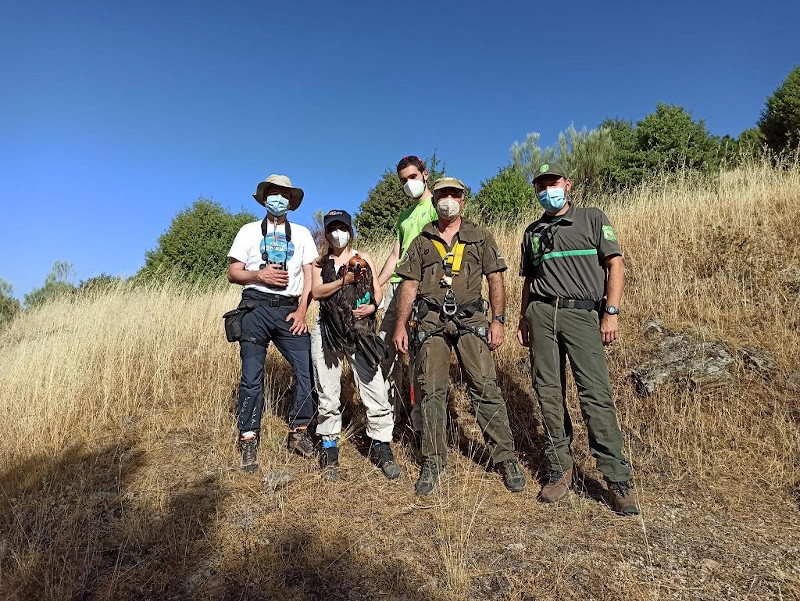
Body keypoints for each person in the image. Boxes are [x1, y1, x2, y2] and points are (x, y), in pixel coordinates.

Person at [516, 162, 639, 515]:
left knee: (595, 394)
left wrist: (611, 312)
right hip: (540, 314)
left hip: (583, 315)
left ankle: (616, 476)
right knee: (548, 392)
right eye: (540, 184)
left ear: (567, 184)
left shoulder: (592, 218)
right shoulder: (532, 231)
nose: (546, 189)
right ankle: (560, 467)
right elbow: (528, 279)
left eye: (552, 182)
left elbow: (615, 264)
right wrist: (524, 317)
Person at [392, 177, 527, 496]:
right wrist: (400, 325)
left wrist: (499, 320)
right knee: (431, 389)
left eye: (454, 195)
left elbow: (495, 279)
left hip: (472, 318)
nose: (447, 200)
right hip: (430, 320)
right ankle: (433, 460)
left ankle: (505, 458)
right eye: (442, 195)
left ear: (463, 200)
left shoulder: (479, 236)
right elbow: (409, 285)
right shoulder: (423, 239)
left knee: (483, 385)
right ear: (434, 199)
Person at [227, 174, 318, 472]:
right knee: (251, 376)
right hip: (255, 308)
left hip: (290, 310)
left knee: (308, 366)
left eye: (283, 194)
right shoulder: (248, 231)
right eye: (272, 193)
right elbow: (234, 272)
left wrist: (303, 310)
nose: (277, 199)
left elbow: (310, 275)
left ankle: (299, 431)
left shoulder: (303, 234)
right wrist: (259, 275)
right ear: (264, 198)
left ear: (291, 201)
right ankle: (248, 438)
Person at [310, 210, 401, 481]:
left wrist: (372, 306)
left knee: (374, 387)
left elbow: (377, 292)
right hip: (328, 330)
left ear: (351, 230)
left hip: (361, 331)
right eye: (333, 228)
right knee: (327, 390)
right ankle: (329, 446)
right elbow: (316, 292)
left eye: (343, 227)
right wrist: (343, 281)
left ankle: (382, 445)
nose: (338, 233)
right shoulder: (319, 263)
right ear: (326, 233)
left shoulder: (364, 258)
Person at [377, 156, 439, 438]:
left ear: (425, 174)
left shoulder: (437, 206)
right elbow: (395, 254)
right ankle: (388, 416)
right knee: (384, 352)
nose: (408, 184)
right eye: (403, 180)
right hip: (396, 290)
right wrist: (377, 285)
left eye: (412, 177)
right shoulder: (404, 216)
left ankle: (419, 425)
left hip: (423, 289)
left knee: (418, 360)